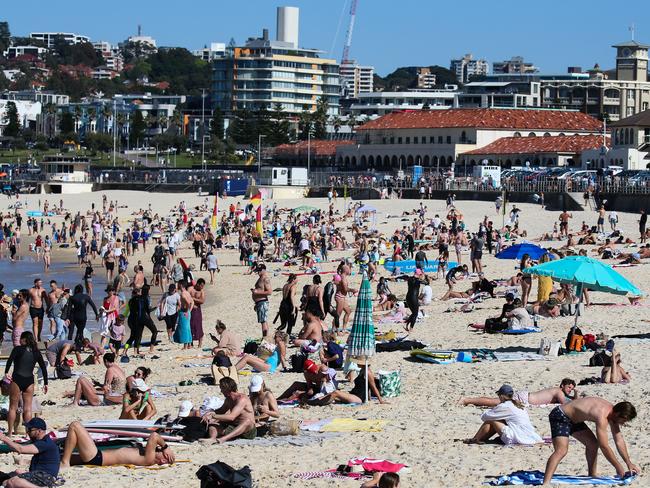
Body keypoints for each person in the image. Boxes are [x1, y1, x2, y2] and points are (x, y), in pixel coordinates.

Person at [541, 398, 639, 486]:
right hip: (560, 416)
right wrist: (618, 466)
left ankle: (591, 476)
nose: (623, 423)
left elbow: (619, 440)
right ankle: (546, 483)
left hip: (573, 419)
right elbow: (604, 446)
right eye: (624, 420)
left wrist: (628, 463)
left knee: (593, 444)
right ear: (618, 414)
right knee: (561, 450)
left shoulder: (613, 413)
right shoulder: (602, 415)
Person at [60, 422, 175, 468]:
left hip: (96, 457)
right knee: (56, 457)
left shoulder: (149, 459)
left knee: (75, 426)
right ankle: (64, 460)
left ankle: (65, 462)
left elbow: (154, 436)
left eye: (160, 451)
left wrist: (166, 447)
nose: (158, 449)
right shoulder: (145, 455)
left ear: (163, 460)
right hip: (96, 456)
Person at [464, 384, 542, 445]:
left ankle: (476, 439)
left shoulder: (505, 406)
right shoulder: (518, 404)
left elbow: (484, 417)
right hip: (528, 435)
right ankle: (478, 439)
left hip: (518, 437)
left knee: (492, 420)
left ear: (501, 396)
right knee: (500, 420)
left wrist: (494, 411)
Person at [4, 332, 48, 436]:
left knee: (12, 407)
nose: (19, 340)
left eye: (20, 338)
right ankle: (28, 434)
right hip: (29, 381)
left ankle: (10, 433)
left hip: (17, 379)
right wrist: (46, 383)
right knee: (27, 408)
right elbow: (43, 367)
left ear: (24, 339)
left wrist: (6, 372)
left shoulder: (18, 349)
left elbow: (10, 360)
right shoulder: (36, 352)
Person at [0, 418, 60, 488]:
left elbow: (20, 449)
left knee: (11, 482)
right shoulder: (43, 441)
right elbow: (18, 448)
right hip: (40, 475)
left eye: (30, 430)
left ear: (39, 431)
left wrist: (4, 438)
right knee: (16, 472)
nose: (28, 432)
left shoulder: (44, 443)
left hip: (45, 477)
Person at [201, 377, 257, 443]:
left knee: (247, 421)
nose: (221, 391)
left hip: (248, 430)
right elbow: (221, 410)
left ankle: (223, 439)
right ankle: (212, 438)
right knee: (213, 425)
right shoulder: (228, 399)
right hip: (234, 426)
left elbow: (231, 417)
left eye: (222, 388)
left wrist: (213, 416)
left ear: (227, 388)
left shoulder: (242, 399)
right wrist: (209, 413)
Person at [460, 379, 578, 407]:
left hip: (525, 397)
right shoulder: (558, 391)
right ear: (562, 385)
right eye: (568, 387)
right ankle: (467, 400)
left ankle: (468, 400)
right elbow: (565, 403)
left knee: (495, 402)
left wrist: (574, 396)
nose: (569, 390)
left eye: (571, 389)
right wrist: (576, 397)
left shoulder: (559, 392)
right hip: (524, 398)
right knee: (494, 402)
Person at [251, 264, 272, 337]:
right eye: (257, 271)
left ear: (263, 270)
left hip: (262, 302)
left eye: (259, 271)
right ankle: (265, 338)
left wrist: (257, 292)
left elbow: (269, 292)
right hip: (259, 303)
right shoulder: (261, 278)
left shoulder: (265, 279)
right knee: (263, 321)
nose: (258, 272)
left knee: (263, 321)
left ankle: (265, 338)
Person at [173, 281, 193, 349]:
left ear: (181, 285)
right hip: (187, 312)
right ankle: (189, 344)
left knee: (184, 328)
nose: (177, 286)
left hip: (184, 312)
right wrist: (189, 310)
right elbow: (192, 302)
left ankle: (185, 346)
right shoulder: (187, 292)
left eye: (178, 284)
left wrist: (186, 310)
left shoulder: (183, 294)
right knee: (188, 328)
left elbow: (188, 302)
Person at [189, 278, 206, 348]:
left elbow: (202, 301)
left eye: (203, 286)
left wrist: (194, 299)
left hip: (197, 309)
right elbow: (187, 298)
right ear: (198, 284)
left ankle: (200, 343)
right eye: (201, 285)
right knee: (190, 326)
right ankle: (191, 343)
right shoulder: (190, 289)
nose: (202, 287)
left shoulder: (202, 291)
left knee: (199, 326)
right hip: (190, 310)